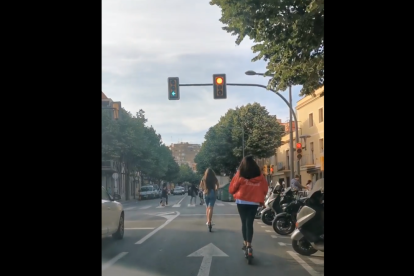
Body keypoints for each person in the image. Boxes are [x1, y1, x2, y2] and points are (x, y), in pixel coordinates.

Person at [229, 156, 268, 258]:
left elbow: (232, 188)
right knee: (249, 223)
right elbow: (265, 188)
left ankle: (245, 243)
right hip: (254, 202)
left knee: (244, 222)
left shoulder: (240, 173)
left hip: (241, 201)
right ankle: (249, 245)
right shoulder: (259, 175)